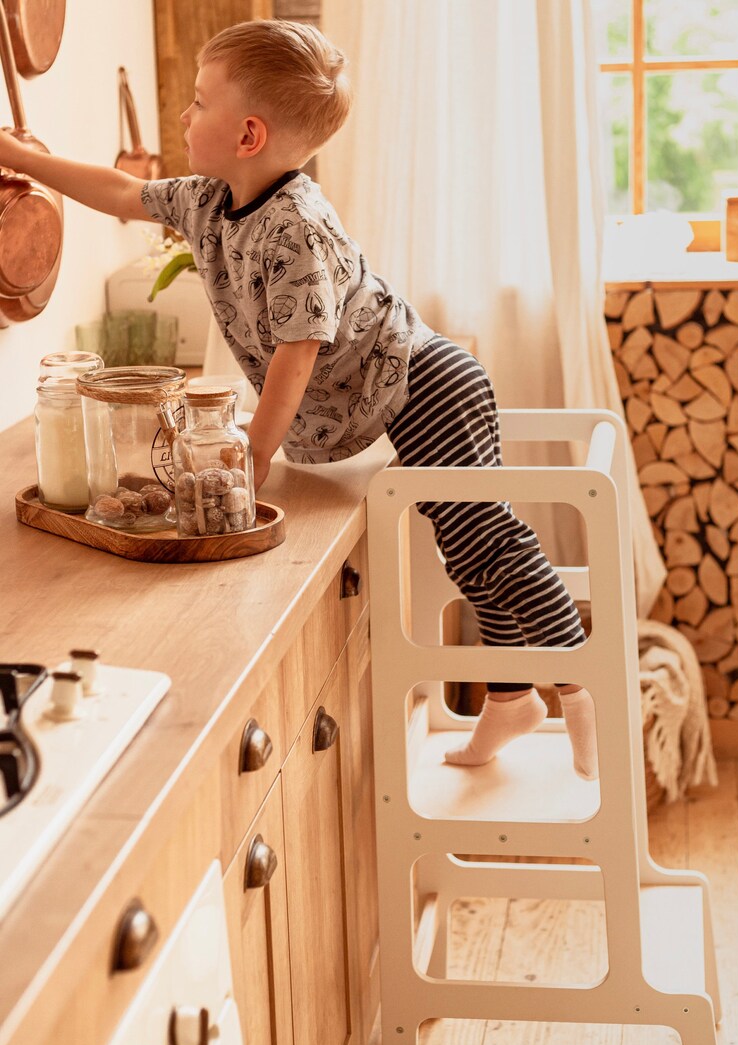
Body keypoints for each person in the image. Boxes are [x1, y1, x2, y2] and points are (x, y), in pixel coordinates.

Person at [0, 19, 597, 779]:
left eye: (196, 102)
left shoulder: (296, 228)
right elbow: (121, 191)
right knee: (470, 550)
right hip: (395, 396)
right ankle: (513, 701)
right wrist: (20, 156)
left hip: (426, 386)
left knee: (486, 544)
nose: (183, 116)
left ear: (248, 134)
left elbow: (298, 349)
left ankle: (579, 687)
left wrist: (254, 450)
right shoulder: (207, 202)